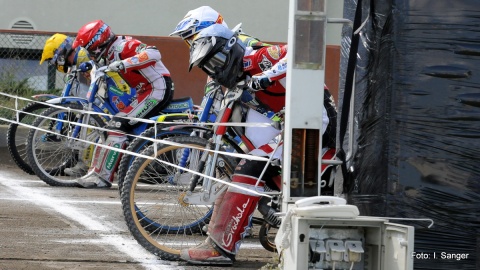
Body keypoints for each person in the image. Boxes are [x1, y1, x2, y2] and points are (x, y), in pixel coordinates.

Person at [180, 24, 337, 265]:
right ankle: (220, 239)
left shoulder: (256, 57)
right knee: (249, 166)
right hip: (298, 123)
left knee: (250, 167)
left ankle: (221, 249)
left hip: (314, 121)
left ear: (230, 50)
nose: (215, 69)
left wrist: (264, 77)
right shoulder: (239, 73)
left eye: (216, 61)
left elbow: (296, 52)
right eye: (208, 66)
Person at [71, 19, 174, 188]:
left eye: (89, 48)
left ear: (97, 42)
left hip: (157, 89)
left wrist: (123, 64)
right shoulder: (110, 51)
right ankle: (95, 172)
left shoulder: (124, 46)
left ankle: (103, 178)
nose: (88, 52)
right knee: (113, 125)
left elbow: (154, 53)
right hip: (146, 91)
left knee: (118, 124)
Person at [39, 33, 96, 176]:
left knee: (90, 125)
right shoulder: (77, 59)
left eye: (53, 59)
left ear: (61, 52)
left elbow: (95, 84)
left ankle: (84, 167)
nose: (54, 63)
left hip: (106, 99)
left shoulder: (83, 56)